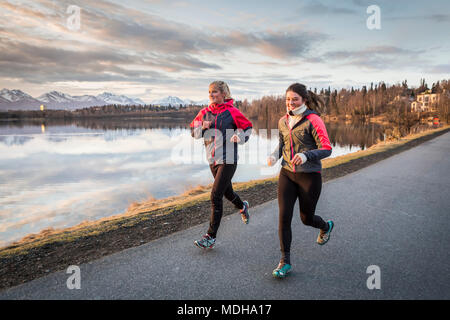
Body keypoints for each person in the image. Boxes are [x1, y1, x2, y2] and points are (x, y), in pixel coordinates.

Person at [267, 83, 334, 278]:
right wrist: (274, 155)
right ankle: (284, 261)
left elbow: (327, 148)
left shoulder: (313, 120)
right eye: (288, 99)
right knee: (284, 217)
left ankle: (325, 226)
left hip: (309, 176)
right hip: (287, 173)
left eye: (294, 99)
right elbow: (282, 144)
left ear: (304, 100)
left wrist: (306, 156)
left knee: (306, 219)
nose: (290, 103)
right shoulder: (283, 121)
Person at [190, 81, 253, 249]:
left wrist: (240, 137)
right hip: (212, 160)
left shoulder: (232, 112)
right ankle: (242, 205)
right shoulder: (204, 113)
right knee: (227, 192)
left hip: (229, 159)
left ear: (224, 94)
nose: (211, 95)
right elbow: (193, 133)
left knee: (215, 195)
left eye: (215, 92)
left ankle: (210, 236)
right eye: (210, 92)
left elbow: (247, 127)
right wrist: (202, 128)